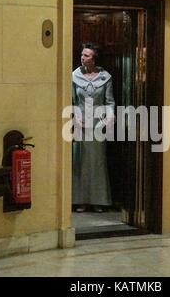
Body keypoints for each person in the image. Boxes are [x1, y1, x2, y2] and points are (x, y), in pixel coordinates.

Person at [72, 43, 115, 213]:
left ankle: (98, 200)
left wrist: (108, 119)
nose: (83, 58)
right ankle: (81, 200)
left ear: (94, 58)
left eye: (87, 55)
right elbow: (70, 100)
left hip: (97, 124)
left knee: (97, 162)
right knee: (80, 161)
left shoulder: (105, 77)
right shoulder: (74, 76)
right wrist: (75, 116)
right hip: (80, 123)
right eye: (82, 55)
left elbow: (110, 102)